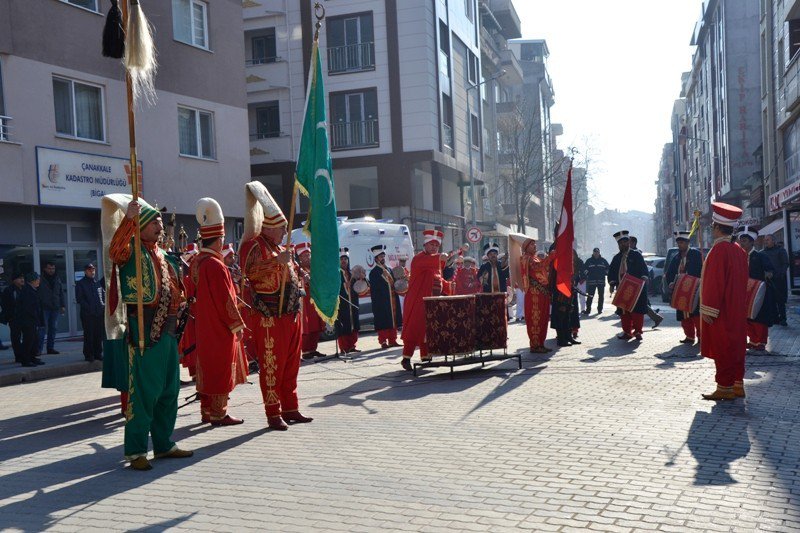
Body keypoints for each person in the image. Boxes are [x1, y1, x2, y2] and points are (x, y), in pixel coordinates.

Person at [107, 195, 193, 470]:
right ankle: (135, 450)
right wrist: (128, 220)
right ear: (140, 226)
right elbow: (115, 252)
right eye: (154, 222)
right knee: (145, 393)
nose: (160, 226)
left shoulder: (161, 252)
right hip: (144, 330)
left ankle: (164, 443)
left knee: (169, 390)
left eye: (159, 221)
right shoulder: (132, 250)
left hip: (166, 332)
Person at [239, 181, 312, 431]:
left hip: (290, 314)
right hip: (269, 316)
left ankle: (291, 407)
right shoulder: (254, 246)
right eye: (282, 228)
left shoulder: (279, 247)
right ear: (269, 228)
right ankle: (273, 413)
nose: (284, 232)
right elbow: (249, 272)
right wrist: (276, 263)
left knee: (292, 365)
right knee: (272, 367)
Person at [190, 198, 247, 426]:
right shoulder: (215, 265)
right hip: (219, 327)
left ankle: (206, 411)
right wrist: (237, 324)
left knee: (208, 367)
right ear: (219, 238)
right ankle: (219, 413)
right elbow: (225, 300)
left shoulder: (197, 262)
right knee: (220, 369)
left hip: (204, 325)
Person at [699, 202, 749, 400]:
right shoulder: (739, 250)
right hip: (736, 308)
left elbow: (714, 283)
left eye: (712, 226)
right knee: (736, 346)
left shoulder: (719, 251)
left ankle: (724, 387)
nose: (712, 230)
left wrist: (709, 310)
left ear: (718, 227)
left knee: (723, 347)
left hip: (722, 309)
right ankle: (738, 384)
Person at [400, 229, 446, 370]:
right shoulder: (419, 258)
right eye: (432, 244)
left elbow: (438, 278)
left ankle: (426, 356)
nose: (434, 247)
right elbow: (436, 261)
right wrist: (442, 256)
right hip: (417, 301)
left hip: (430, 301)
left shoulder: (432, 262)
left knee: (428, 329)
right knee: (414, 328)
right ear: (425, 245)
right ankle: (406, 358)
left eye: (437, 246)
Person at [737, 226, 778, 352]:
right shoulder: (738, 257)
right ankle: (753, 340)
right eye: (741, 240)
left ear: (751, 242)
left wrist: (769, 273)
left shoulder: (760, 256)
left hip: (759, 293)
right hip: (743, 293)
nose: (741, 243)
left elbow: (770, 270)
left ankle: (761, 342)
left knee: (760, 318)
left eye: (744, 241)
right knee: (747, 318)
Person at [608, 230, 649, 341]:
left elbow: (644, 269)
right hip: (622, 289)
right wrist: (612, 283)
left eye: (625, 242)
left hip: (636, 290)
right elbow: (611, 272)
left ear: (629, 242)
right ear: (618, 245)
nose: (623, 244)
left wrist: (644, 277)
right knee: (624, 313)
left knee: (637, 313)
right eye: (621, 243)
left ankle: (638, 332)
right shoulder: (616, 258)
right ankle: (627, 332)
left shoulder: (636, 255)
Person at [664, 231, 703, 345]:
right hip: (680, 291)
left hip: (695, 290)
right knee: (684, 316)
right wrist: (671, 282)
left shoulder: (696, 255)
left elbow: (702, 270)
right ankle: (689, 336)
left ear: (688, 242)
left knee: (696, 315)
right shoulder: (676, 258)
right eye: (678, 243)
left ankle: (701, 337)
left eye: (682, 242)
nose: (680, 245)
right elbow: (669, 273)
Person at [521, 239, 555, 352]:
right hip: (534, 294)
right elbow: (538, 267)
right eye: (532, 244)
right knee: (535, 319)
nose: (534, 245)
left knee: (543, 319)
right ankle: (535, 345)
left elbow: (543, 268)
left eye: (534, 244)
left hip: (542, 293)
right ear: (526, 247)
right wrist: (550, 257)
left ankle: (541, 343)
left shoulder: (535, 257)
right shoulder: (526, 258)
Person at [296, 242, 328, 360]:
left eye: (309, 255)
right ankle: (305, 350)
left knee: (316, 325)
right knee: (307, 327)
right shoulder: (298, 270)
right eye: (305, 256)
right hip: (304, 303)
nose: (308, 258)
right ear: (300, 258)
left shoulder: (313, 269)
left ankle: (312, 349)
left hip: (314, 301)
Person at [369, 244, 403, 349]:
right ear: (376, 259)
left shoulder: (389, 269)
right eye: (380, 257)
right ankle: (383, 342)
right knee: (383, 320)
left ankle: (393, 340)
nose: (382, 258)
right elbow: (375, 290)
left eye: (383, 256)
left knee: (393, 320)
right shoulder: (374, 272)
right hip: (381, 301)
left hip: (392, 299)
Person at [629, 235, 664, 328]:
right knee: (642, 303)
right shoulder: (630, 252)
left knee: (640, 303)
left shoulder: (637, 252)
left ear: (633, 243)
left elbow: (641, 268)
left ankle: (654, 318)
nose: (627, 244)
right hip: (633, 282)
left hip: (638, 282)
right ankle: (656, 318)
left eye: (629, 242)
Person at [75, 263, 105, 362]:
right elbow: (80, 299)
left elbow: (102, 296)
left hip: (98, 314)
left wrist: (102, 306)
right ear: (85, 271)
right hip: (87, 315)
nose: (92, 272)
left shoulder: (97, 283)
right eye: (89, 270)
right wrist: (89, 308)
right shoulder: (80, 284)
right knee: (89, 335)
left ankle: (98, 353)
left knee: (98, 335)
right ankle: (89, 355)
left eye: (93, 270)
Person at [37, 261, 65, 355]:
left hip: (55, 307)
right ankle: (39, 349)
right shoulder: (40, 279)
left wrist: (62, 305)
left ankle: (50, 348)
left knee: (53, 328)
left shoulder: (57, 278)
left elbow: (61, 293)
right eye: (49, 268)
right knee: (42, 329)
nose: (51, 270)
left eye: (53, 268)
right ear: (45, 269)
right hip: (44, 308)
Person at [336, 248, 360, 354]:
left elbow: (361, 286)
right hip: (342, 304)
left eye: (345, 258)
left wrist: (362, 279)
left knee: (353, 324)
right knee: (343, 325)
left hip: (352, 303)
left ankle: (352, 346)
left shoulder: (352, 274)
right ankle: (344, 348)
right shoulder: (336, 274)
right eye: (341, 259)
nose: (344, 261)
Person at [762, 234, 790, 326]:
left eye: (768, 240)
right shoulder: (762, 253)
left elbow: (785, 264)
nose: (766, 241)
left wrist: (779, 274)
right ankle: (775, 318)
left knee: (780, 300)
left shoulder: (781, 250)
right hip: (768, 280)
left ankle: (783, 318)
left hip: (779, 280)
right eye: (765, 240)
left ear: (774, 241)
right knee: (771, 300)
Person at [19, 272, 45, 367]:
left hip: (33, 320)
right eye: (38, 279)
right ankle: (26, 360)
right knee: (28, 340)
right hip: (28, 320)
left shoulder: (33, 290)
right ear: (33, 280)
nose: (39, 281)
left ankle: (32, 357)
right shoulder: (27, 291)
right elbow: (28, 308)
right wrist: (35, 317)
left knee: (35, 340)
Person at [1, 272, 26, 362]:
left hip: (25, 318)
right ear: (14, 280)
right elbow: (5, 305)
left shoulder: (25, 289)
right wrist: (10, 316)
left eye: (23, 278)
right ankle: (18, 356)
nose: (22, 280)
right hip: (14, 318)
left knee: (28, 337)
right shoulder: (9, 290)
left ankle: (26, 355)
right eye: (20, 278)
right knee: (16, 338)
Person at [583, 248, 609, 314]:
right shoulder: (589, 261)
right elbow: (584, 269)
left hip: (601, 281)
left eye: (597, 252)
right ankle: (588, 309)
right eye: (595, 252)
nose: (596, 253)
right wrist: (588, 273)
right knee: (590, 296)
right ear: (593, 253)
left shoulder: (603, 260)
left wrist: (605, 273)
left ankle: (600, 309)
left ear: (599, 252)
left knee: (601, 296)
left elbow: (608, 268)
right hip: (591, 282)